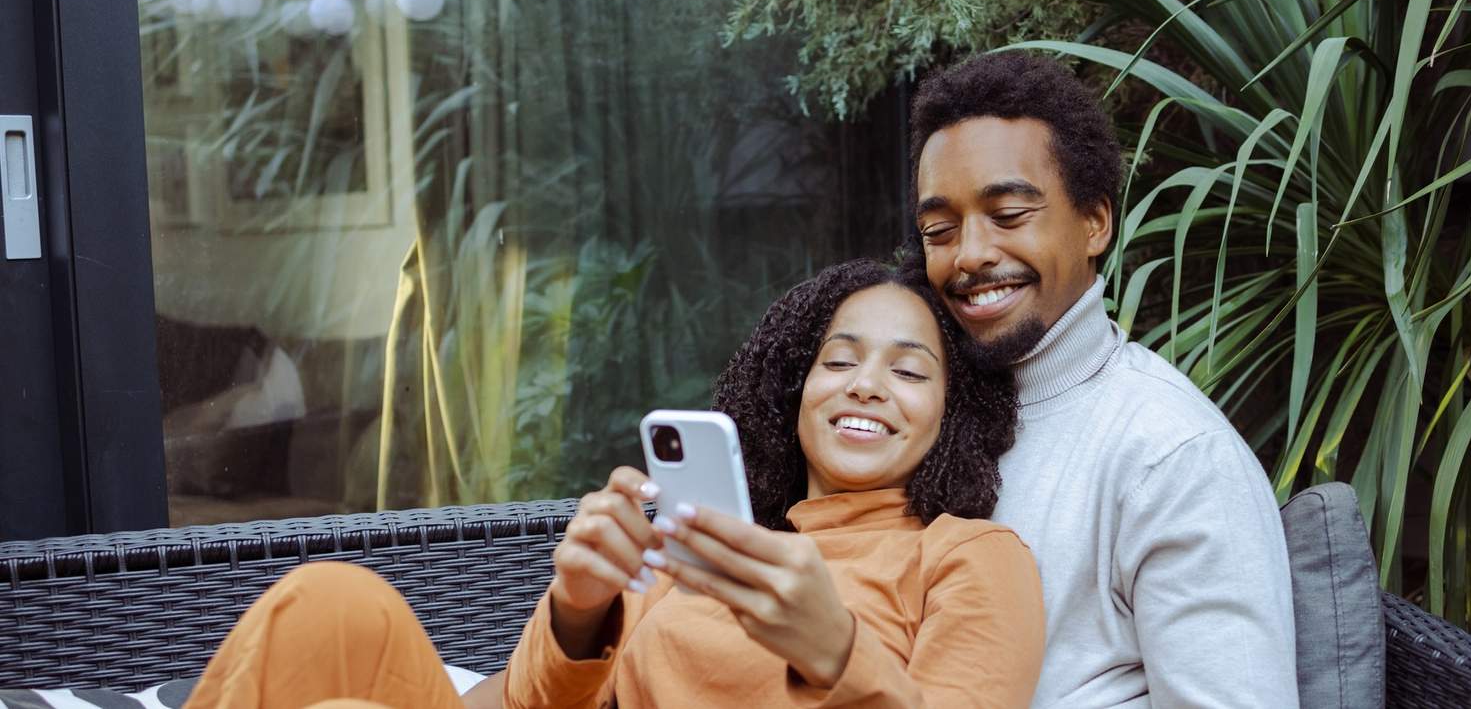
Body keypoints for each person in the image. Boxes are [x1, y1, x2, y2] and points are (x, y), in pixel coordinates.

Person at [184, 259, 1044, 709]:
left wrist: (833, 649)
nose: (864, 386)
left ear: (951, 414)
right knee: (328, 601)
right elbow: (519, 703)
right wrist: (578, 609)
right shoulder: (702, 531)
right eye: (841, 360)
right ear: (796, 390)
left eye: (909, 372)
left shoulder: (966, 555)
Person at [908, 51, 1299, 707]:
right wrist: (664, 514)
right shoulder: (914, 408)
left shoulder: (1172, 457)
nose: (969, 254)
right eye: (939, 230)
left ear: (1095, 222)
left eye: (1008, 216)